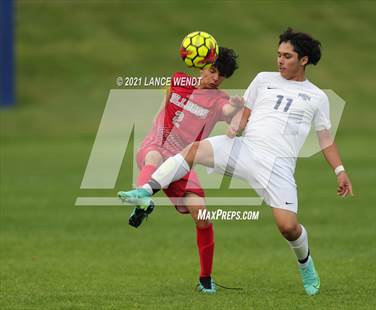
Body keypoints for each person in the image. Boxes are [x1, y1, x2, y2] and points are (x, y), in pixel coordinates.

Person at [119, 28, 353, 296]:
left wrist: (340, 170)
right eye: (278, 55)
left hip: (278, 167)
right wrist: (235, 128)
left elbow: (325, 139)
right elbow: (246, 114)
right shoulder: (263, 79)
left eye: (287, 56)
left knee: (288, 227)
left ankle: (305, 263)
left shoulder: (317, 97)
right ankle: (145, 191)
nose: (280, 60)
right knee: (195, 150)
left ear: (304, 60)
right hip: (245, 149)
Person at [123, 47, 241, 294]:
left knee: (202, 213)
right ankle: (142, 198)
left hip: (181, 161)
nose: (215, 78)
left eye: (222, 76)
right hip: (156, 145)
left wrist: (237, 106)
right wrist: (157, 128)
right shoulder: (178, 80)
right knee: (153, 156)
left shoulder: (220, 100)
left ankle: (206, 279)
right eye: (213, 70)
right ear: (202, 64)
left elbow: (230, 112)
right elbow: (165, 104)